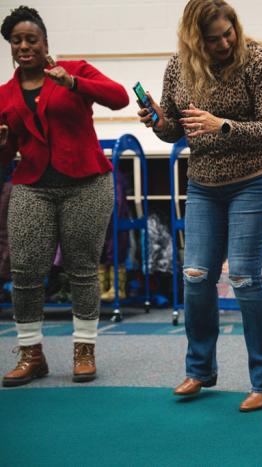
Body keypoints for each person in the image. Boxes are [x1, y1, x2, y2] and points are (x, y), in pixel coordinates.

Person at [137, 0, 262, 410]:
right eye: (213, 38)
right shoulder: (178, 67)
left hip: (256, 179)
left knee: (242, 275)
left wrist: (222, 125)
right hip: (204, 183)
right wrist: (157, 121)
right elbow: (174, 129)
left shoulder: (258, 59)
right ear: (194, 40)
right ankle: (199, 370)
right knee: (196, 274)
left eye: (228, 32)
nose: (224, 42)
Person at [0, 6, 129, 386]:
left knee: (82, 268)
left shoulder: (75, 70)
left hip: (86, 183)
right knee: (24, 270)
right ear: (11, 47)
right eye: (16, 41)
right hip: (32, 186)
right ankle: (31, 354)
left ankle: (84, 350)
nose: (24, 46)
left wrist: (73, 82)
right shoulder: (5, 95)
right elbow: (7, 158)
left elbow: (119, 97)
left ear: (44, 43)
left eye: (31, 39)